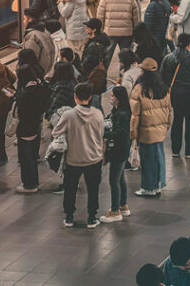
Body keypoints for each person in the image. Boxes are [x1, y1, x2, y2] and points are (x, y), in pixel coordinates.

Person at [55, 82, 105, 228]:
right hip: (93, 158)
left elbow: (56, 132)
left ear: (75, 97)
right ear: (90, 97)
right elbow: (101, 134)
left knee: (70, 189)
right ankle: (92, 218)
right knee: (93, 189)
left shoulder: (68, 115)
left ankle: (69, 217)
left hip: (73, 159)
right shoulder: (98, 114)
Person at [130, 58, 173, 197]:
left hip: (145, 131)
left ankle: (148, 187)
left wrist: (133, 134)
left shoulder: (139, 89)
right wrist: (166, 126)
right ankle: (158, 184)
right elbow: (169, 110)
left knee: (147, 160)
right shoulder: (163, 87)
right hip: (160, 130)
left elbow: (135, 115)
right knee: (158, 158)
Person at [160, 33, 190, 159]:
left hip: (175, 96)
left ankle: (175, 149)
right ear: (189, 44)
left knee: (177, 121)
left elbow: (161, 77)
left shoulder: (168, 58)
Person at [14, 60, 48, 194]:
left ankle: (29, 184)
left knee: (26, 157)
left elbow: (22, 110)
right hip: (36, 125)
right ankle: (33, 182)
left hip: (26, 127)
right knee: (32, 155)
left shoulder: (27, 93)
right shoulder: (39, 87)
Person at [100, 85, 132, 222]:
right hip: (121, 150)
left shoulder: (122, 114)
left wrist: (103, 133)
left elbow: (120, 133)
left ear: (118, 98)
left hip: (118, 151)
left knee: (114, 180)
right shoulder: (118, 111)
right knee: (120, 178)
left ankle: (115, 211)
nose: (111, 97)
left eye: (113, 95)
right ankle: (122, 205)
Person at [98, 0, 141, 67]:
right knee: (126, 58)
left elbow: (100, 15)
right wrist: (135, 31)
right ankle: (124, 73)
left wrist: (100, 30)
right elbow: (136, 17)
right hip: (127, 32)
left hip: (110, 32)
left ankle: (102, 73)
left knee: (106, 57)